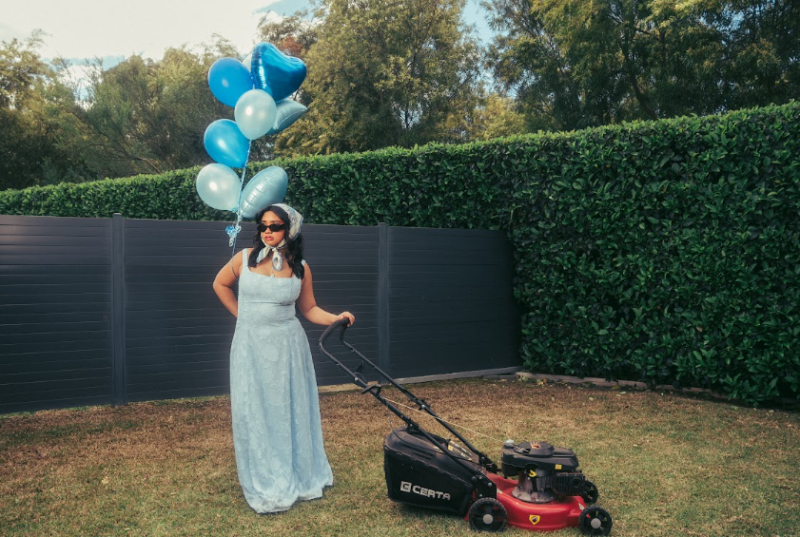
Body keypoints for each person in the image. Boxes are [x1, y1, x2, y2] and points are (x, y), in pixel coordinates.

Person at [213, 203, 355, 514]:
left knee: (290, 408)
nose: (267, 231)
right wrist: (243, 317)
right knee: (255, 409)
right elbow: (219, 284)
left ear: (289, 230)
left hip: (288, 347)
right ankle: (265, 475)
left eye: (275, 226)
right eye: (263, 225)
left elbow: (309, 309)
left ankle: (298, 472)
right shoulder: (243, 259)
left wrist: (337, 317)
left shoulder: (300, 267)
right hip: (250, 346)